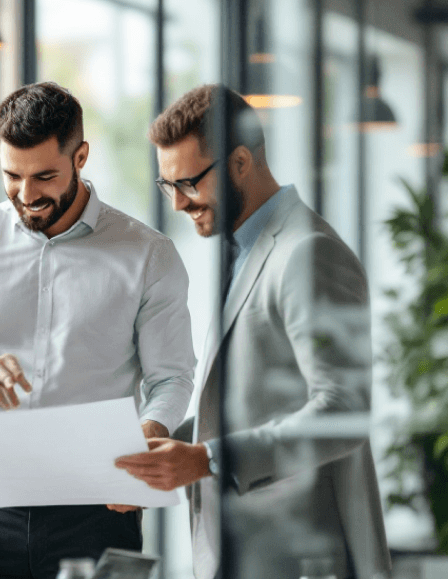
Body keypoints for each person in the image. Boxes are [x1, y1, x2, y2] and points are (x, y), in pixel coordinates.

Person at [0, 81, 196, 579]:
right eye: (12, 176)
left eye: (44, 176)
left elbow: (170, 377)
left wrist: (147, 439)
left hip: (98, 512)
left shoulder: (148, 253)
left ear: (80, 156)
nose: (26, 194)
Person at [116, 84, 391, 578]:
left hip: (298, 558)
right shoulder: (243, 251)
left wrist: (205, 460)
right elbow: (248, 402)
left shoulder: (308, 253)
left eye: (189, 184)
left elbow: (346, 411)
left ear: (240, 162)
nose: (178, 204)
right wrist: (160, 456)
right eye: (167, 186)